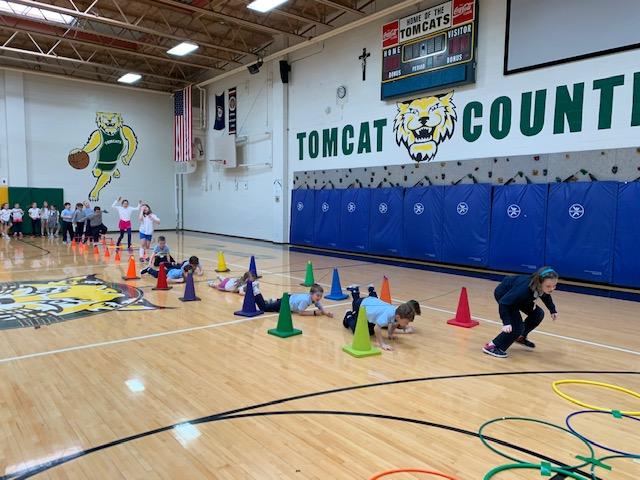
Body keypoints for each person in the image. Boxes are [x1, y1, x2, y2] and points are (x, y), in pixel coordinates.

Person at [482, 267, 559, 359]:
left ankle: (520, 337)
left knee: (538, 314)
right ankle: (492, 346)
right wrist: (506, 322)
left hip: (519, 298)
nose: (552, 289)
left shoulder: (540, 286)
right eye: (548, 286)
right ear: (539, 283)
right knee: (517, 327)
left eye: (554, 286)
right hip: (505, 297)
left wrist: (552, 310)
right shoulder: (524, 290)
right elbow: (504, 303)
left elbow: (546, 295)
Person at [343, 285, 420, 351]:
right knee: (356, 329)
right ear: (398, 317)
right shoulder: (387, 316)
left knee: (370, 332)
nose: (407, 324)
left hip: (371, 302)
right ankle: (348, 314)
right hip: (361, 306)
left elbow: (394, 323)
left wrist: (390, 334)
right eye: (406, 322)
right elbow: (377, 328)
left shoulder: (397, 312)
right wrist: (382, 344)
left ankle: (362, 291)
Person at [253, 284, 334, 317]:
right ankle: (256, 292)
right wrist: (314, 313)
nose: (319, 298)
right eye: (318, 295)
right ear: (311, 294)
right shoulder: (305, 301)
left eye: (321, 296)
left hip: (289, 299)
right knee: (264, 308)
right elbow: (300, 313)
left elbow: (319, 306)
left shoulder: (314, 299)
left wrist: (326, 313)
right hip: (285, 304)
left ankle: (273, 301)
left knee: (272, 306)